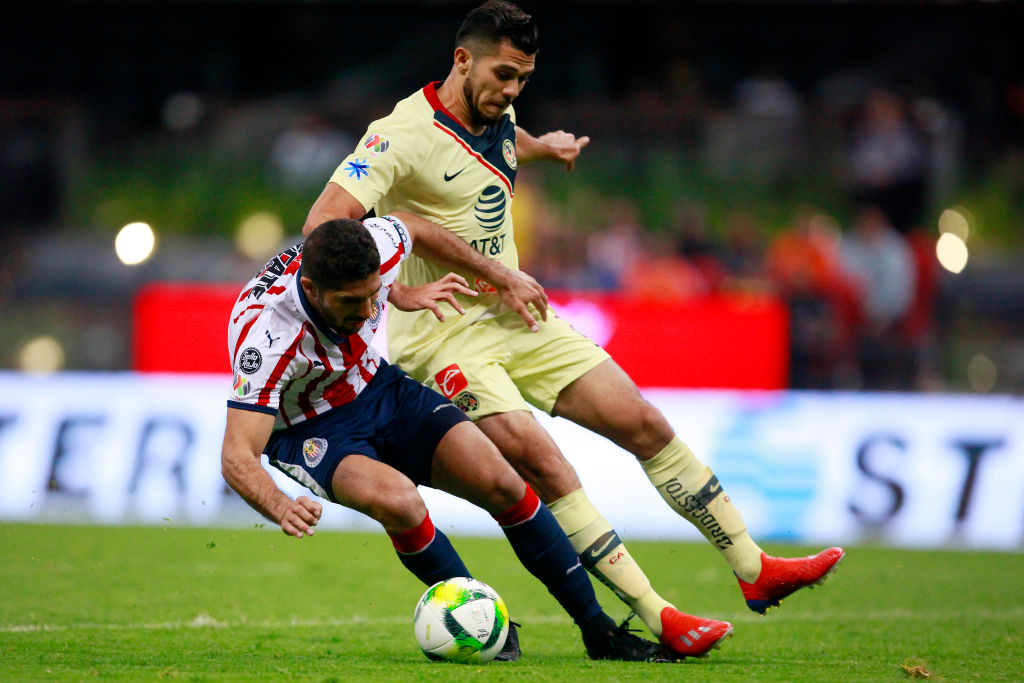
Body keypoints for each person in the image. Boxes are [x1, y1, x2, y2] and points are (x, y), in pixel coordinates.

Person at [303, 0, 843, 658]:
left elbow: (498, 150)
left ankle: (754, 567)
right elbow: (324, 227)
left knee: (643, 421)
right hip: (446, 338)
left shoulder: (497, 112)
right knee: (545, 463)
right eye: (503, 74)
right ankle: (658, 613)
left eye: (523, 79)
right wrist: (394, 287)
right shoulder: (398, 135)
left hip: (520, 314)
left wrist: (542, 146)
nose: (512, 90)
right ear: (461, 60)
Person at [220, 216, 670, 663]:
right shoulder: (267, 339)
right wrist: (281, 506)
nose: (364, 313)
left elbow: (414, 226)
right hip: (309, 429)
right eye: (349, 302)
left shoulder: (377, 246)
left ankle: (600, 632)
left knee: (505, 483)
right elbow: (238, 455)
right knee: (400, 502)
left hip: (378, 388)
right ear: (312, 289)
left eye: (372, 294)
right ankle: (485, 623)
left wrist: (402, 291)